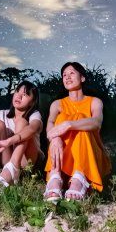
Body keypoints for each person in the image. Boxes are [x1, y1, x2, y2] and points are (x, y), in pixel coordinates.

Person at [43, 62, 111, 203]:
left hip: (90, 156)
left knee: (79, 118)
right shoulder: (57, 104)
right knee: (61, 118)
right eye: (64, 75)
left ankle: (80, 177)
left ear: (82, 78)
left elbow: (96, 122)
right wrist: (55, 138)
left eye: (72, 73)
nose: (67, 77)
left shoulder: (95, 102)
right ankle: (55, 176)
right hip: (61, 155)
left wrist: (69, 125)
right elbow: (50, 124)